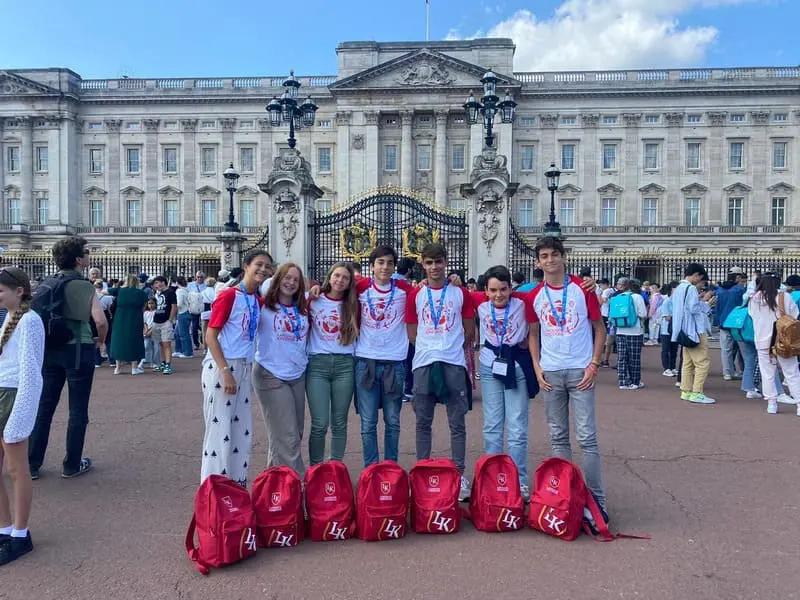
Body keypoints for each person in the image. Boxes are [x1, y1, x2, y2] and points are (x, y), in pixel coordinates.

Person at [528, 236, 608, 526]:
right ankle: (566, 495)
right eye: (544, 256)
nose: (550, 260)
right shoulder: (534, 295)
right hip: (550, 372)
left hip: (580, 371)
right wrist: (537, 368)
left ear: (563, 257)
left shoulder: (582, 290)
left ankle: (597, 501)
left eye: (554, 255)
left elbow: (599, 328)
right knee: (558, 437)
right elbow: (533, 333)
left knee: (587, 437)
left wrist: (594, 364)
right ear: (538, 262)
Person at [29, 236, 108, 480]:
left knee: (44, 407)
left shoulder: (46, 283)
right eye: (85, 252)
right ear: (78, 260)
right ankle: (72, 464)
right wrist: (101, 341)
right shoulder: (84, 285)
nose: (88, 255)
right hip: (78, 349)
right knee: (77, 410)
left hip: (50, 350)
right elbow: (100, 321)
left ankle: (32, 463)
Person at [405, 243, 475, 501]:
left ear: (446, 262)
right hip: (423, 362)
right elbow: (411, 331)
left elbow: (469, 330)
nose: (434, 267)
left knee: (457, 423)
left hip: (453, 362)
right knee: (423, 422)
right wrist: (430, 346)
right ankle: (422, 472)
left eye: (438, 262)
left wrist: (447, 344)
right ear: (422, 264)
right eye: (429, 262)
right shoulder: (416, 295)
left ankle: (459, 474)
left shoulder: (460, 293)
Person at [201, 250, 271, 487]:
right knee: (219, 430)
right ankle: (214, 487)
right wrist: (225, 371)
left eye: (267, 267)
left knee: (241, 430)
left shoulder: (256, 300)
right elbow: (210, 336)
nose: (262, 270)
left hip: (243, 365)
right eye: (258, 265)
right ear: (246, 266)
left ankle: (236, 483)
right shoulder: (229, 296)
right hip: (224, 365)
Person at [474, 265, 538, 501]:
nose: (498, 294)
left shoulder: (523, 303)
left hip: (517, 366)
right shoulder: (479, 304)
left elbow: (550, 286)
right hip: (490, 365)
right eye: (493, 290)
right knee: (492, 424)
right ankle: (492, 477)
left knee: (517, 426)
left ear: (511, 289)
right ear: (485, 291)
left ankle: (519, 480)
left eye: (503, 289)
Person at [0, 268, 44, 564]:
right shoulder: (5, 319)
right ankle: (4, 527)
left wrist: (21, 417)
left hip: (14, 396)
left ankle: (20, 532)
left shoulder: (30, 321)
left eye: (2, 290)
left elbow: (31, 373)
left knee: (17, 469)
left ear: (19, 291)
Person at [353, 246, 412, 467]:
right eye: (380, 262)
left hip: (394, 362)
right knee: (368, 423)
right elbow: (333, 286)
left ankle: (390, 468)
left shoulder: (405, 291)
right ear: (372, 267)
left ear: (394, 267)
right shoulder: (359, 288)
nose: (385, 267)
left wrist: (451, 280)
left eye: (389, 263)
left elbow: (430, 289)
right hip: (365, 361)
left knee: (393, 422)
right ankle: (371, 470)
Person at [252, 263, 310, 475]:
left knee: (293, 432)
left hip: (296, 373)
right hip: (270, 373)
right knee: (287, 435)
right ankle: (298, 485)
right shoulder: (263, 305)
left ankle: (275, 483)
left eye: (296, 279)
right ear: (277, 279)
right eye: (286, 277)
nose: (291, 283)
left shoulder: (303, 307)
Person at [306, 262, 359, 466]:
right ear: (329, 277)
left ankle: (335, 466)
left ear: (349, 283)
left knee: (339, 422)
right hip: (317, 364)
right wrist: (312, 288)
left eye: (345, 278)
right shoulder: (314, 300)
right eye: (337, 276)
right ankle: (316, 468)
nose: (340, 280)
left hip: (345, 365)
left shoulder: (353, 303)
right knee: (319, 423)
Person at [748, 274, 800, 415]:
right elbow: (794, 315)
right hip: (782, 340)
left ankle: (772, 404)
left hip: (762, 341)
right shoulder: (784, 297)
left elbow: (752, 316)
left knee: (767, 373)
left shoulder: (754, 299)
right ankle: (799, 403)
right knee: (792, 372)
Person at [672, 263, 716, 404]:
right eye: (700, 278)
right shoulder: (690, 288)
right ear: (696, 275)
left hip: (683, 330)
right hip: (694, 330)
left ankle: (686, 390)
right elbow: (693, 308)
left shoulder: (679, 288)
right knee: (702, 362)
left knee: (688, 363)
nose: (700, 282)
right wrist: (706, 304)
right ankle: (697, 392)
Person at [110, 275, 147, 375]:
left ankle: (117, 368)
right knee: (134, 340)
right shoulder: (141, 293)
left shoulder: (119, 290)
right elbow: (144, 307)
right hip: (135, 318)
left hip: (120, 318)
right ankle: (134, 368)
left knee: (119, 341)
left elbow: (104, 291)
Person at [615, 278, 648, 390]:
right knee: (634, 357)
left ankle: (623, 381)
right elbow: (643, 313)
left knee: (622, 357)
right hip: (634, 331)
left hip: (620, 330)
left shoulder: (619, 297)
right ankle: (635, 381)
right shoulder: (637, 297)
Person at [715, 273, 746, 380]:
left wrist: (718, 321)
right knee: (744, 349)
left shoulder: (719, 291)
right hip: (737, 323)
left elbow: (717, 308)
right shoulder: (739, 290)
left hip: (724, 322)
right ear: (736, 280)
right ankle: (746, 371)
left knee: (726, 349)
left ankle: (727, 372)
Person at [151, 276, 177, 375]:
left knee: (167, 344)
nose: (156, 285)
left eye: (157, 283)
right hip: (156, 320)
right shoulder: (158, 293)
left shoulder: (170, 292)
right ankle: (162, 363)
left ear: (162, 282)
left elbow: (174, 306)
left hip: (165, 321)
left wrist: (170, 320)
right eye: (155, 284)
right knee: (160, 344)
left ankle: (168, 364)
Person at [658, 282, 679, 377]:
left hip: (675, 328)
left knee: (674, 349)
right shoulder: (667, 301)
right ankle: (666, 368)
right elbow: (667, 317)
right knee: (666, 349)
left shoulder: (678, 301)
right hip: (666, 329)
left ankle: (672, 367)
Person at [173, 276, 193, 359]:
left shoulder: (180, 291)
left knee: (183, 334)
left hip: (182, 312)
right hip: (186, 312)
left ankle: (187, 352)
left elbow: (179, 303)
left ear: (177, 283)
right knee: (177, 333)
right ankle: (179, 350)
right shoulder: (187, 290)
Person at [142, 297, 159, 369]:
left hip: (155, 331)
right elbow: (145, 322)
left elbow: (156, 322)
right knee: (146, 346)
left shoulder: (157, 312)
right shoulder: (145, 313)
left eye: (152, 303)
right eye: (149, 303)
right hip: (147, 331)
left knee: (156, 347)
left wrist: (151, 330)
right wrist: (146, 330)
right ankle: (148, 361)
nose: (151, 305)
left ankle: (156, 362)